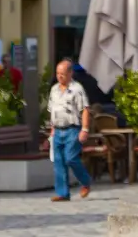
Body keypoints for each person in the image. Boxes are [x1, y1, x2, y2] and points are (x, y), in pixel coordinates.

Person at [46, 59, 92, 202]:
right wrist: (52, 129)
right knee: (59, 161)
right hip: (58, 130)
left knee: (71, 158)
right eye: (58, 73)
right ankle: (63, 193)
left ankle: (86, 181)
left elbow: (85, 109)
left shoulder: (77, 89)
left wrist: (85, 129)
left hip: (73, 129)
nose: (60, 76)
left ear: (70, 73)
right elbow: (52, 110)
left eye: (63, 74)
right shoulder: (54, 89)